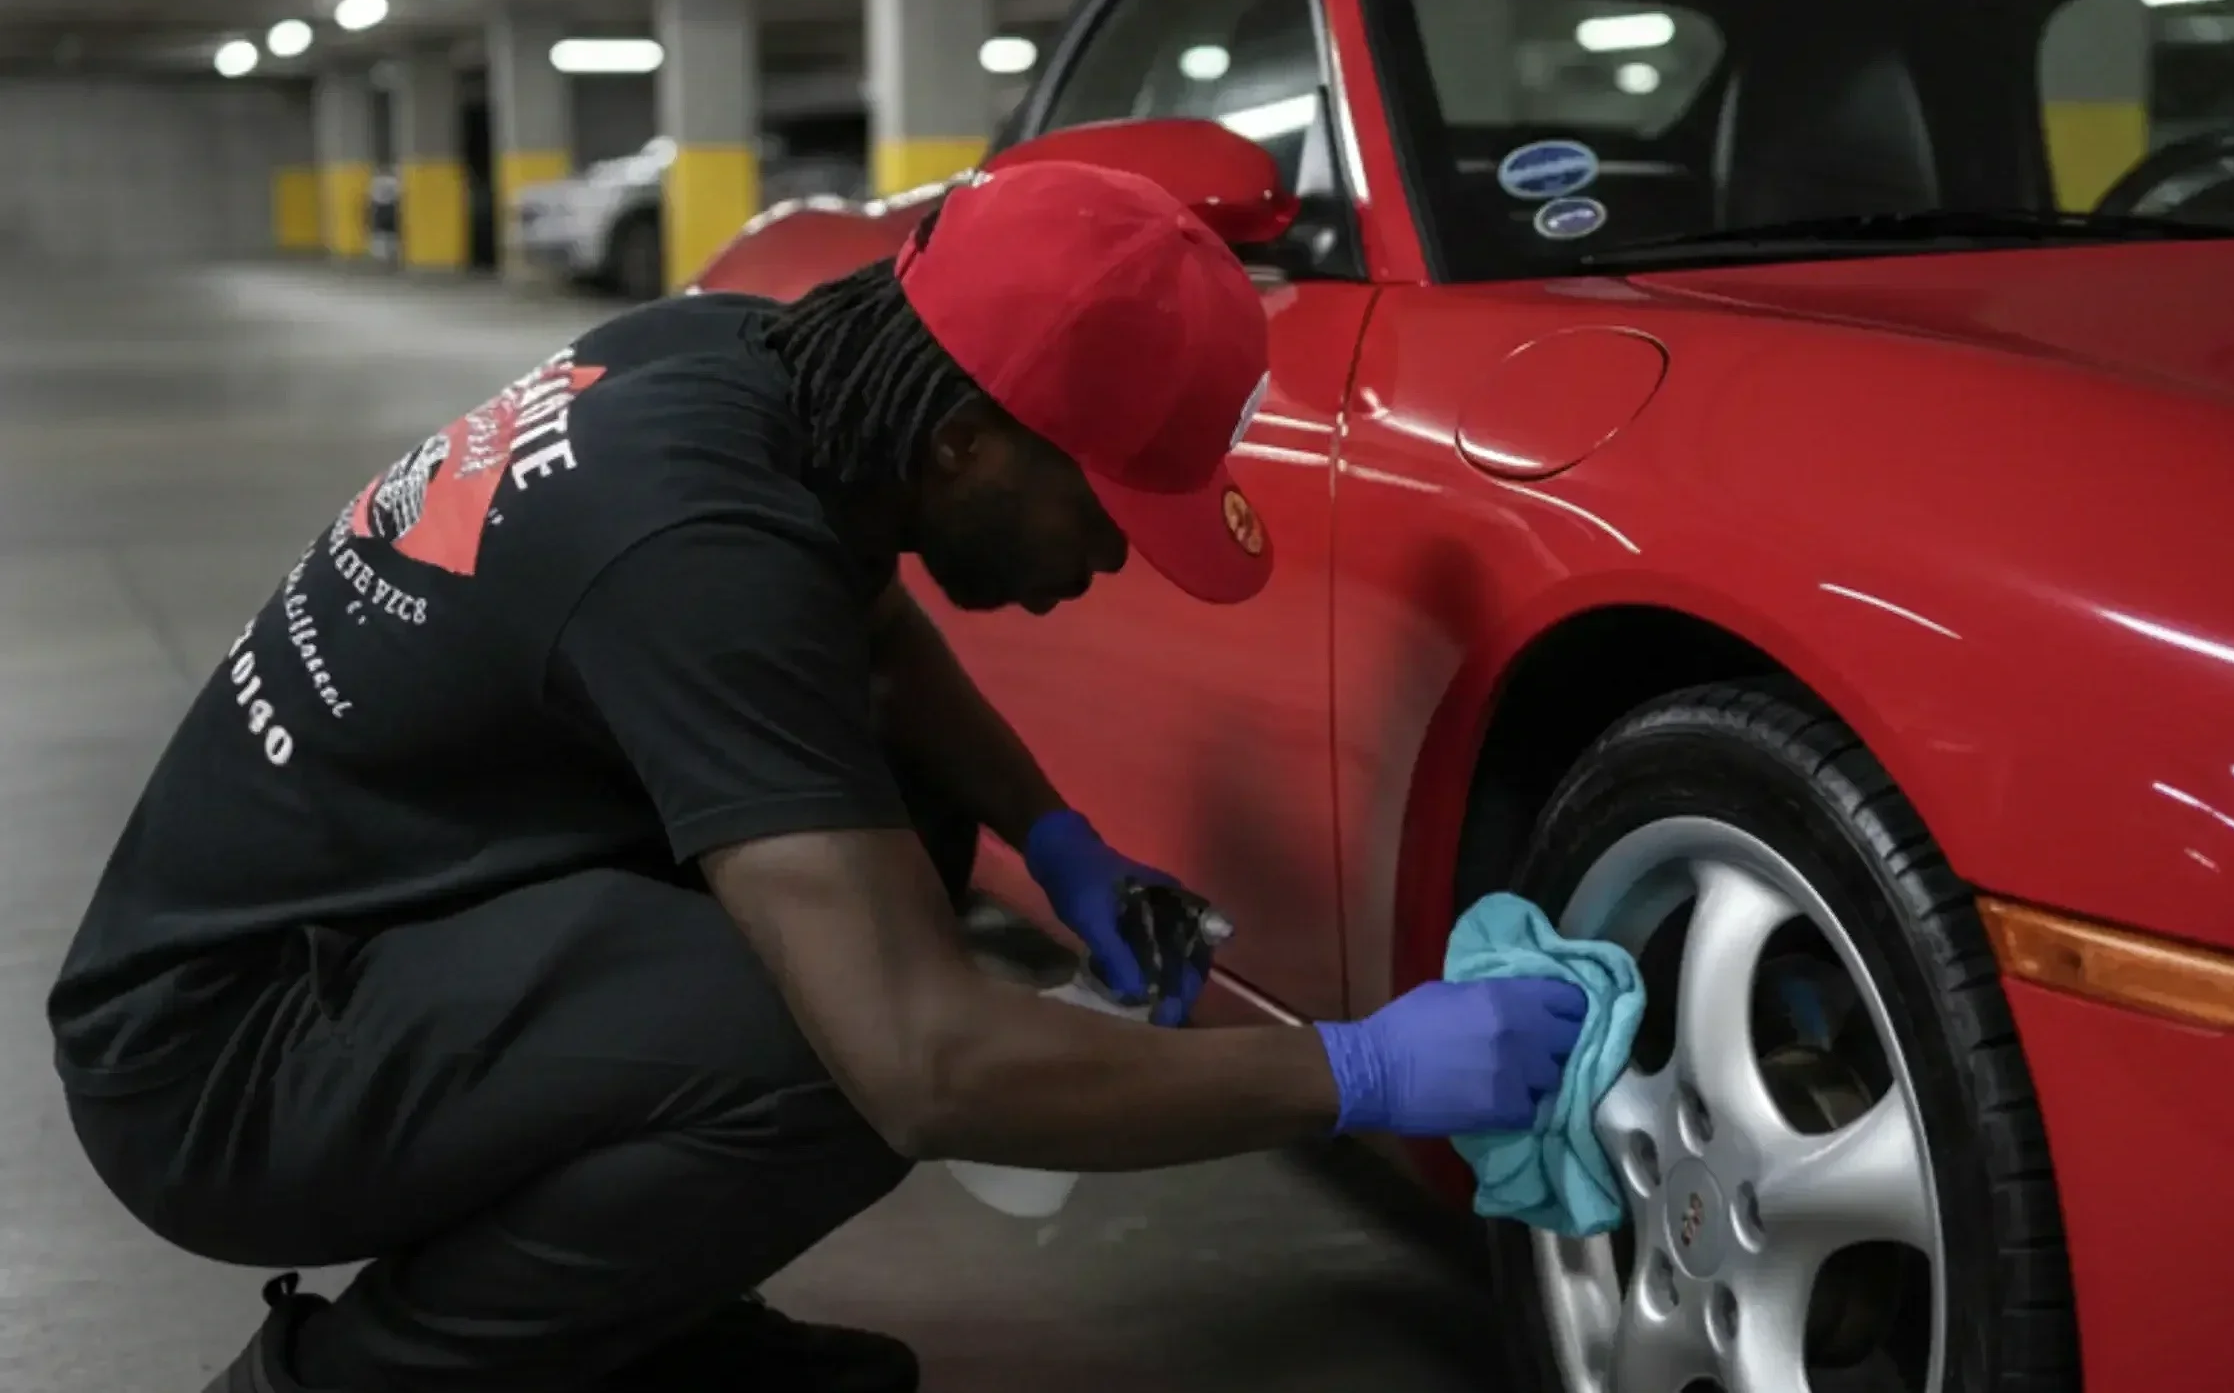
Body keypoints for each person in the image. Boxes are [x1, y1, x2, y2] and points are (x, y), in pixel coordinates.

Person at [44, 160, 1590, 1393]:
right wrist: (1360, 1071)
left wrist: (1054, 836)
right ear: (972, 444)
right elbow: (925, 1060)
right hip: (225, 1066)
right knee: (835, 1047)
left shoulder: (750, 366)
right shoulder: (689, 551)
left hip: (352, 941)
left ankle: (615, 1324)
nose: (1118, 548)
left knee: (894, 838)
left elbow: (860, 628)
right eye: (1105, 503)